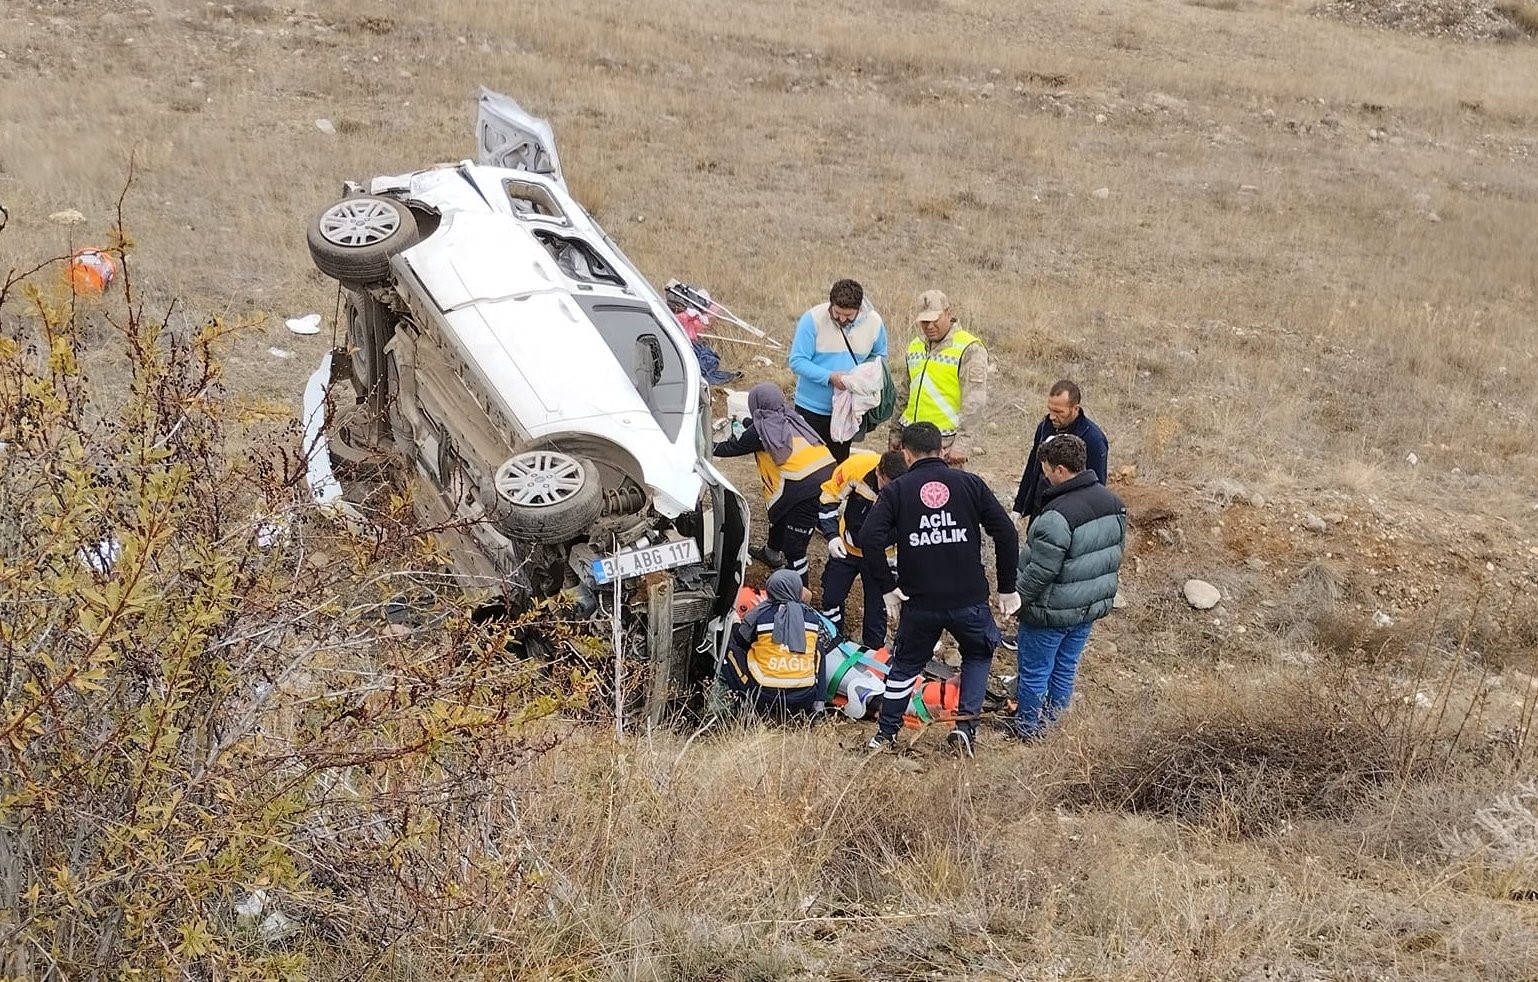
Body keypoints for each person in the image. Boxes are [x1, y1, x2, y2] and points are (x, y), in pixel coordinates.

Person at [858, 422, 1019, 756]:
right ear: (942, 450)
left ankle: (885, 735)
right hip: (968, 597)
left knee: (905, 665)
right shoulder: (970, 484)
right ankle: (965, 728)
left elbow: (869, 537)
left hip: (921, 600)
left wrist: (887, 588)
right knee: (978, 654)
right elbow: (1006, 531)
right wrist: (1007, 587)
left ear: (905, 453)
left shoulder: (897, 490)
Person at [1011, 434, 1127, 739]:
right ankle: (1054, 727)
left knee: (1035, 672)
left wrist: (1016, 601)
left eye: (1046, 470)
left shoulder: (1056, 515)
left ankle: (1027, 729)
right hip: (1087, 608)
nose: (1045, 476)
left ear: (1060, 470)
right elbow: (1112, 555)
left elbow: (1041, 571)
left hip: (1050, 612)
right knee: (1065, 668)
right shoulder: (1114, 503)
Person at [712, 382, 836, 585]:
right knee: (781, 512)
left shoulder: (760, 432)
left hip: (807, 489)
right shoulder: (791, 417)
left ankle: (798, 593)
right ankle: (772, 553)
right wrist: (745, 421)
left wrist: (704, 443)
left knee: (795, 550)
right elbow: (762, 428)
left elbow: (729, 448)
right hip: (827, 476)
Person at [788, 278, 888, 462]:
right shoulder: (812, 319)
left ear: (859, 308)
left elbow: (880, 357)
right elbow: (797, 361)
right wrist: (830, 377)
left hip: (847, 411)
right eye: (837, 313)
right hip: (811, 409)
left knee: (838, 465)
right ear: (831, 303)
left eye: (848, 315)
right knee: (807, 464)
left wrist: (861, 377)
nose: (841, 319)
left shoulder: (874, 322)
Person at [818, 449, 909, 649]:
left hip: (882, 555)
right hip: (847, 547)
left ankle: (872, 653)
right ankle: (832, 641)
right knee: (831, 596)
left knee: (877, 611)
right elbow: (828, 496)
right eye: (887, 484)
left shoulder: (909, 486)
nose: (891, 491)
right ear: (878, 472)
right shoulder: (856, 467)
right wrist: (832, 535)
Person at [890, 289, 988, 467]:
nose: (929, 326)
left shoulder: (969, 348)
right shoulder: (915, 345)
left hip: (944, 444)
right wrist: (895, 432)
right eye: (924, 321)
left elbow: (974, 401)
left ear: (948, 313)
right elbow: (904, 394)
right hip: (910, 440)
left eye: (934, 320)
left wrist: (962, 444)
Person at [716, 569, 831, 718]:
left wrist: (736, 623)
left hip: (764, 695)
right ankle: (818, 707)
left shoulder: (760, 614)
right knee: (818, 649)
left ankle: (745, 705)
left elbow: (740, 640)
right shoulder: (811, 618)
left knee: (729, 650)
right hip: (804, 697)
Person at [1010, 380, 1109, 522]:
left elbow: (1096, 487)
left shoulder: (1093, 439)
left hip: (1070, 514)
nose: (1052, 416)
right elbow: (1033, 466)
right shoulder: (1045, 427)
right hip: (1041, 505)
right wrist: (1019, 507)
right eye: (1050, 409)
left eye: (1058, 412)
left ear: (1075, 409)